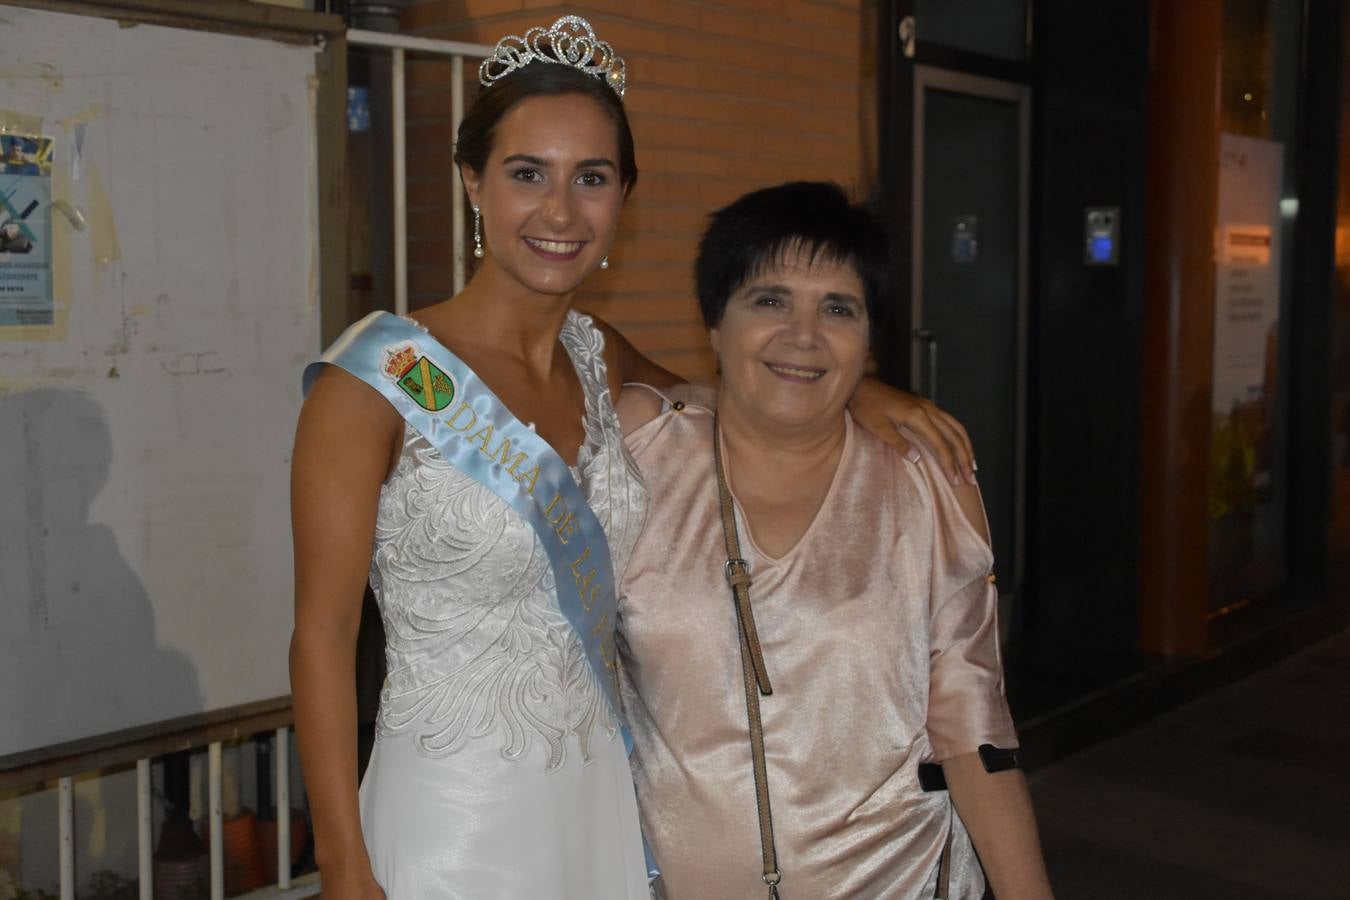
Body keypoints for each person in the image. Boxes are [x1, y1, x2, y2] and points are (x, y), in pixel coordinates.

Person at [290, 17, 974, 899]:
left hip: (600, 807)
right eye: (526, 173)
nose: (560, 211)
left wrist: (862, 386)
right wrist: (345, 866)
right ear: (473, 182)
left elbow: (728, 394)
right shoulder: (381, 377)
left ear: (622, 199)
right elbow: (322, 638)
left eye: (592, 179)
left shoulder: (595, 354)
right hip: (449, 821)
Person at [616, 182, 1054, 899]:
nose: (804, 335)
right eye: (770, 300)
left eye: (839, 309)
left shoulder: (926, 483)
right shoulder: (639, 463)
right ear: (713, 321)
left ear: (869, 339)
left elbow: (973, 729)